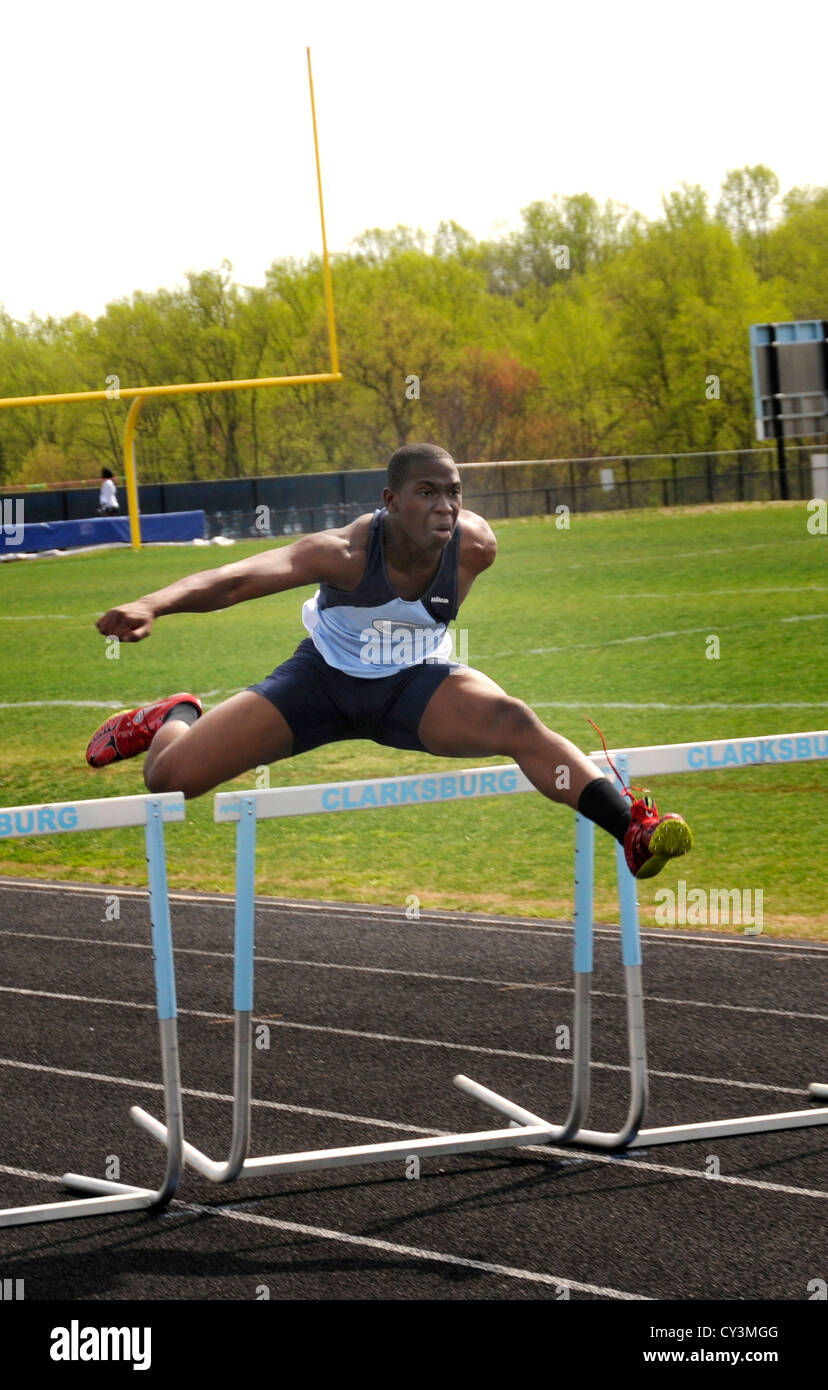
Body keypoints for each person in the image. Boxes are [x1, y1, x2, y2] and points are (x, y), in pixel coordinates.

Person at [85, 443, 692, 879]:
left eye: (453, 493)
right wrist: (152, 603)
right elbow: (237, 579)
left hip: (413, 685)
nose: (444, 507)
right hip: (319, 684)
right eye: (427, 493)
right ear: (390, 500)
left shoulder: (474, 548)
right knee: (169, 781)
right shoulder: (346, 552)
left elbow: (455, 555)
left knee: (516, 723)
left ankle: (630, 830)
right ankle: (172, 715)